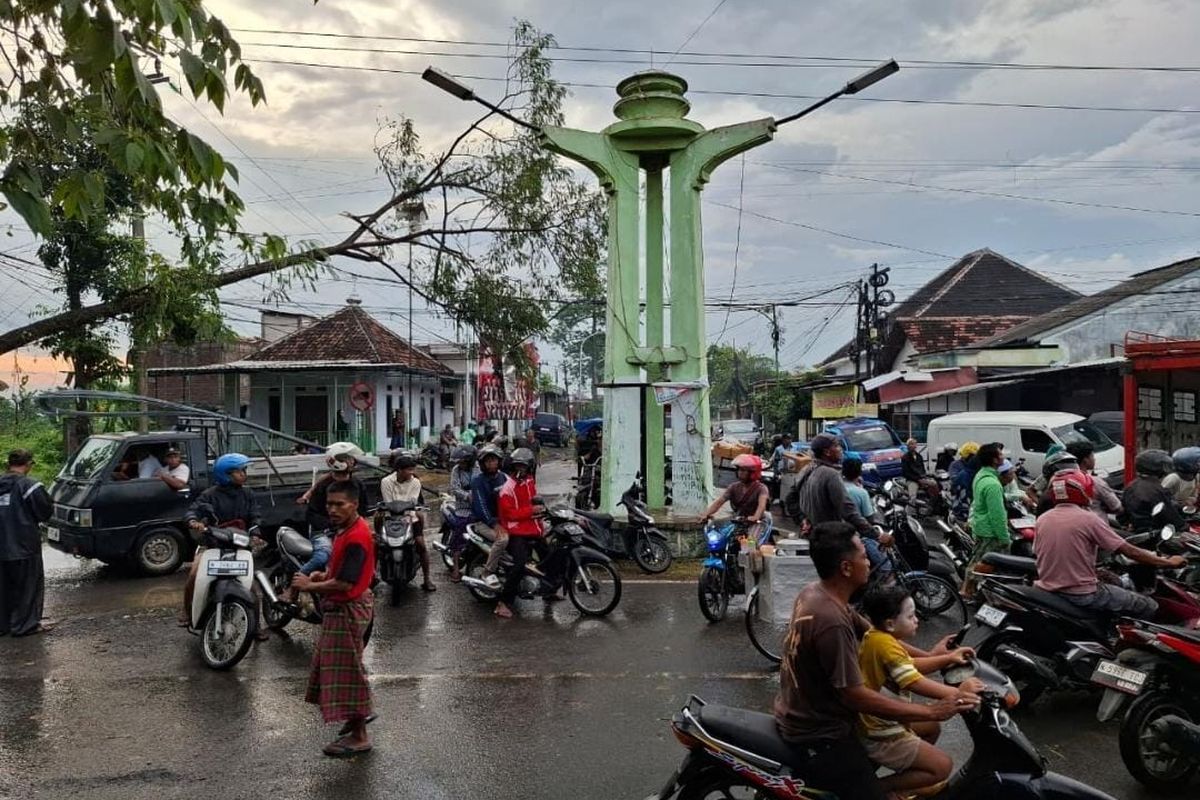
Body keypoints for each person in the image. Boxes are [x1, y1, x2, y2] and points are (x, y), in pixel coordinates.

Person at [773, 521, 979, 800]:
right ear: (846, 568)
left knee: (929, 729)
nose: (869, 561)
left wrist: (935, 657)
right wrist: (932, 709)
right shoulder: (831, 621)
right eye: (863, 555)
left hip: (813, 712)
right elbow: (855, 696)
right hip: (822, 732)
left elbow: (877, 635)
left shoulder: (818, 593)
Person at [859, 584, 983, 796]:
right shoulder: (886, 645)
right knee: (942, 767)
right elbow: (913, 682)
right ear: (890, 623)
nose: (916, 619)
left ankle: (906, 780)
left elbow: (910, 665)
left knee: (930, 726)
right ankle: (882, 790)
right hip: (881, 730)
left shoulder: (877, 636)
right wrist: (959, 694)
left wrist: (946, 657)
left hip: (877, 719)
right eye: (911, 616)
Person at [293, 480, 377, 757]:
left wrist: (310, 586)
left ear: (354, 504)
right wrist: (323, 575)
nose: (333, 509)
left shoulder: (356, 536)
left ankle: (360, 735)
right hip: (345, 607)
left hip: (348, 608)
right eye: (329, 504)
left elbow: (344, 584)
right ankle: (357, 720)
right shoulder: (347, 529)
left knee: (348, 672)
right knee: (342, 669)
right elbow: (339, 573)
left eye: (339, 504)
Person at [1035, 470, 1185, 618]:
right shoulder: (1088, 519)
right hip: (1081, 594)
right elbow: (1129, 551)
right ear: (1083, 490)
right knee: (1149, 605)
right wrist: (1167, 562)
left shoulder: (1043, 519)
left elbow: (1040, 552)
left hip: (1049, 588)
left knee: (1115, 581)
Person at [182, 453, 266, 638]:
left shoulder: (248, 494)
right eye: (240, 471)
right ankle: (188, 613)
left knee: (252, 587)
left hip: (239, 546)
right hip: (212, 545)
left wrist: (255, 532)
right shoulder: (209, 495)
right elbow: (192, 510)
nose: (244, 474)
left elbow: (255, 516)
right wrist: (194, 521)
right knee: (194, 576)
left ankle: (256, 625)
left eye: (244, 470)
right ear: (225, 474)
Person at [792, 433, 891, 568]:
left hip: (814, 538)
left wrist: (802, 518)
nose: (840, 449)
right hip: (832, 541)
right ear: (827, 452)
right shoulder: (830, 474)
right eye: (837, 446)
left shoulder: (807, 470)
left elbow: (791, 499)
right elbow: (848, 511)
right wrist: (877, 535)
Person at [0, 449, 54, 637]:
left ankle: (4, 625)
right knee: (27, 588)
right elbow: (45, 511)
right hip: (24, 546)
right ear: (28, 464)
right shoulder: (29, 486)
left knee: (4, 588)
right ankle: (25, 625)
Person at [494, 447, 551, 619]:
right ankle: (502, 602)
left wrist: (541, 509)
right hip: (515, 531)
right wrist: (531, 511)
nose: (521, 470)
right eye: (518, 467)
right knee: (519, 566)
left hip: (533, 528)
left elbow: (534, 499)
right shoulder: (507, 488)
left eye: (524, 467)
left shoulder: (529, 481)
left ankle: (549, 590)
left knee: (548, 557)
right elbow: (510, 514)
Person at [380, 453, 436, 592]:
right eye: (408, 470)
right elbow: (388, 502)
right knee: (377, 544)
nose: (412, 473)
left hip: (410, 516)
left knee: (420, 544)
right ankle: (371, 577)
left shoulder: (415, 482)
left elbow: (413, 501)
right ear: (399, 470)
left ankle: (427, 578)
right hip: (390, 517)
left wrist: (409, 510)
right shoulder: (386, 481)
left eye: (413, 469)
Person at [961, 442, 1009, 599]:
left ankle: (969, 589)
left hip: (980, 526)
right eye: (1000, 454)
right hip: (990, 530)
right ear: (995, 460)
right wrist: (1004, 537)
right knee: (986, 563)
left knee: (978, 558)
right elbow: (997, 514)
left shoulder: (981, 475)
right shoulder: (993, 484)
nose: (1003, 456)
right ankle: (969, 589)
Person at [700, 454, 772, 545]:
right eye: (739, 469)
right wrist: (706, 514)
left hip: (758, 521)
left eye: (743, 470)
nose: (739, 472)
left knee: (750, 545)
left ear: (752, 473)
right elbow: (719, 502)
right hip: (739, 519)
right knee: (714, 526)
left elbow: (762, 506)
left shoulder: (761, 488)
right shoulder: (734, 487)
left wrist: (755, 517)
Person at [471, 445, 509, 590]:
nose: (492, 464)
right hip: (483, 522)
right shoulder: (478, 481)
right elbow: (481, 507)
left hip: (502, 520)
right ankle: (488, 572)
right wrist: (494, 523)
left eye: (494, 460)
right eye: (488, 461)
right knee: (503, 539)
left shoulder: (504, 477)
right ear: (482, 464)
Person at [1125, 449, 1187, 531]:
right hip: (1155, 533)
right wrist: (1184, 527)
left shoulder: (1131, 486)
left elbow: (1122, 513)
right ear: (1155, 468)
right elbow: (1170, 515)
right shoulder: (1157, 490)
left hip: (1137, 529)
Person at [1067, 441, 1122, 521]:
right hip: (1097, 526)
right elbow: (1117, 507)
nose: (1094, 459)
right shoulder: (1095, 482)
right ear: (1085, 460)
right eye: (1092, 456)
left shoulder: (1064, 481)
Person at [446, 445, 478, 582]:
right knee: (459, 535)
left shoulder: (479, 468)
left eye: (463, 461)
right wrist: (467, 496)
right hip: (463, 509)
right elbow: (454, 488)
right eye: (459, 462)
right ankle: (456, 568)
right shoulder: (456, 470)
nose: (460, 464)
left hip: (479, 508)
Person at [948, 441, 980, 521]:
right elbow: (955, 480)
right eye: (973, 456)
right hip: (960, 499)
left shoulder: (977, 466)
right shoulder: (956, 465)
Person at [841, 458, 877, 524]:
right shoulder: (861, 493)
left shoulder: (836, 487)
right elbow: (870, 518)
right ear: (860, 472)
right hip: (858, 529)